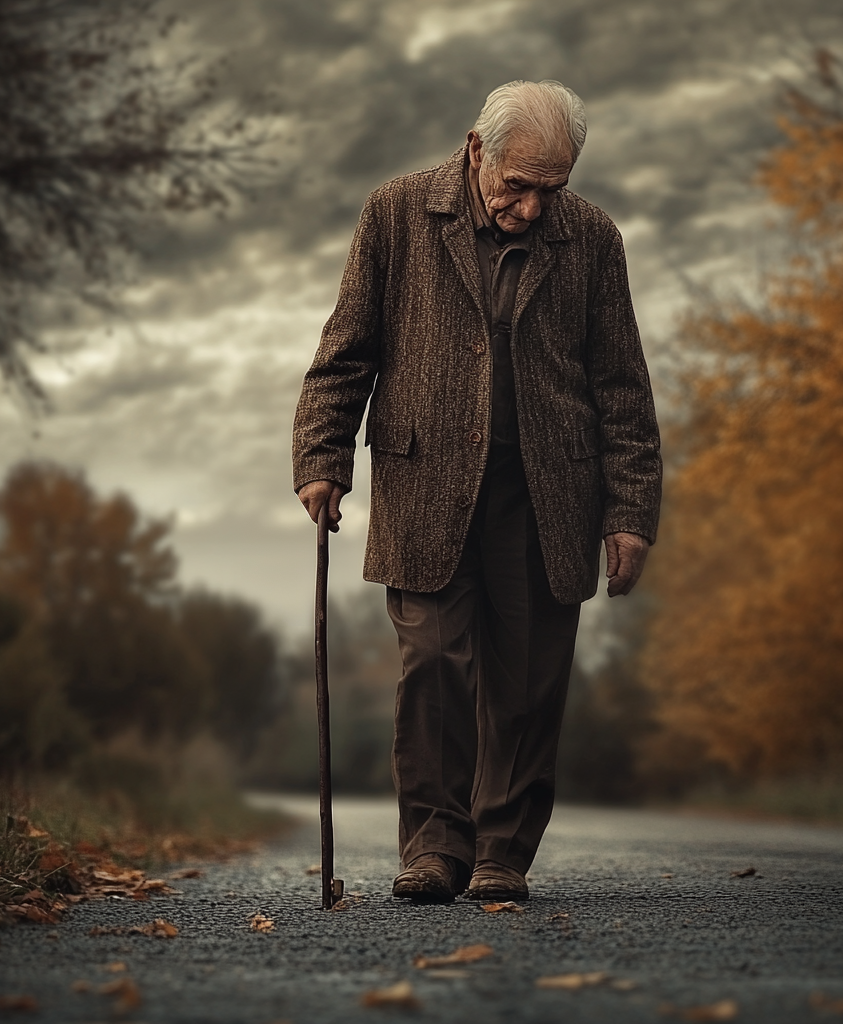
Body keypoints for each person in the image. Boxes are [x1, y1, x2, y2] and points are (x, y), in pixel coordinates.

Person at [293, 80, 661, 904]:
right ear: (474, 149)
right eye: (517, 186)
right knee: (432, 664)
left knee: (527, 681)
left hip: (548, 493)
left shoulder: (594, 238)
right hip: (426, 484)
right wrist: (322, 455)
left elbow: (622, 385)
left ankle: (501, 851)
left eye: (551, 189)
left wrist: (630, 512)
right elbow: (347, 347)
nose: (532, 208)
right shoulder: (395, 213)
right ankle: (433, 847)